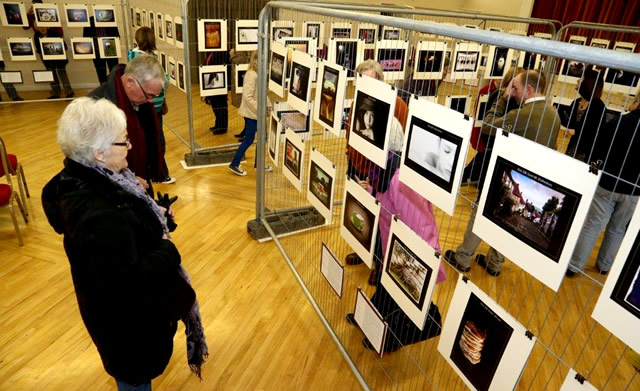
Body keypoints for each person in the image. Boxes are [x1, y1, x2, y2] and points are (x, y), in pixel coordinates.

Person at [41, 97, 206, 390]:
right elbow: (129, 277)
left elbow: (126, 232)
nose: (129, 147)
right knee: (135, 381)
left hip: (126, 318)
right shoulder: (95, 211)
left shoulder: (102, 179)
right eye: (123, 142)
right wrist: (168, 247)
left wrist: (158, 219)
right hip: (128, 328)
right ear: (99, 153)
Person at [444, 70, 561, 276]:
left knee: (480, 214)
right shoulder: (553, 114)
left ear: (530, 89)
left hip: (505, 175)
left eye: (515, 88)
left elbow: (488, 125)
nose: (513, 92)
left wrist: (501, 98)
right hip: (528, 180)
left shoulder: (524, 113)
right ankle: (494, 263)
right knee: (509, 220)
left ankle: (463, 258)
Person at [344, 60, 409, 266]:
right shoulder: (358, 101)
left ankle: (379, 263)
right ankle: (363, 251)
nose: (366, 86)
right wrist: (349, 154)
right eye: (361, 81)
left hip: (381, 173)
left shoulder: (397, 104)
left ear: (380, 81)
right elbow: (350, 133)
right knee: (360, 214)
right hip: (357, 166)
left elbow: (402, 141)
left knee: (382, 219)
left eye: (370, 81)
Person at [566, 94, 640, 276]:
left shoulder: (619, 122)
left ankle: (574, 266)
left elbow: (599, 147)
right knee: (617, 229)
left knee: (592, 225)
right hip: (633, 189)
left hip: (607, 183)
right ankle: (604, 266)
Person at [88, 55, 167, 195]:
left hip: (141, 182)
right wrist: (128, 181)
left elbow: (153, 139)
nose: (150, 101)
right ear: (130, 82)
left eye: (154, 96)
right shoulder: (95, 106)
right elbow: (89, 163)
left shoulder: (140, 102)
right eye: (149, 95)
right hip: (114, 192)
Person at [128, 27, 174, 184]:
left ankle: (155, 171)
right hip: (151, 107)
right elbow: (164, 81)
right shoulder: (146, 59)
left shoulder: (134, 56)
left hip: (151, 105)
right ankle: (160, 173)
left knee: (151, 138)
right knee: (156, 139)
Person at [558, 68, 607, 163]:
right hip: (572, 148)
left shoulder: (599, 107)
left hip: (586, 154)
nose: (578, 80)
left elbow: (596, 133)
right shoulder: (576, 102)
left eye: (582, 78)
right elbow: (570, 123)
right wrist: (557, 112)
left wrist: (576, 132)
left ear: (589, 83)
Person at [228, 51, 257, 176]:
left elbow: (260, 93)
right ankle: (234, 163)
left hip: (254, 112)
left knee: (261, 138)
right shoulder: (252, 75)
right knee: (249, 139)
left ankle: (259, 164)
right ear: (256, 60)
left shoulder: (255, 73)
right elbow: (248, 97)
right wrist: (261, 108)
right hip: (252, 113)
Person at [32, 26, 74, 99]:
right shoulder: (36, 35)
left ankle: (69, 92)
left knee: (62, 75)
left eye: (43, 27)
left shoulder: (54, 33)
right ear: (37, 28)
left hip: (59, 57)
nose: (42, 28)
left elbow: (63, 45)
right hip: (47, 59)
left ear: (47, 26)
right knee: (51, 75)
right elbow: (38, 48)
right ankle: (56, 94)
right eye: (40, 27)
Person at [84, 16, 120, 84]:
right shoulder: (90, 21)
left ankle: (115, 88)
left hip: (111, 50)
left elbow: (117, 36)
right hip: (97, 51)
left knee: (114, 72)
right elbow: (86, 37)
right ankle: (103, 90)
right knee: (101, 74)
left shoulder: (109, 19)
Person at [204, 50, 231, 134]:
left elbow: (224, 68)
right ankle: (218, 124)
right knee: (215, 105)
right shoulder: (211, 52)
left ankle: (222, 127)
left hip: (220, 84)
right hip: (213, 83)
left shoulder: (223, 52)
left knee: (220, 105)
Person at [229, 49, 251, 139]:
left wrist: (232, 55)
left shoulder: (242, 51)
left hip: (242, 86)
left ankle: (248, 132)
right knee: (245, 111)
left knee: (247, 111)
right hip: (240, 85)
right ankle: (246, 130)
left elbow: (239, 60)